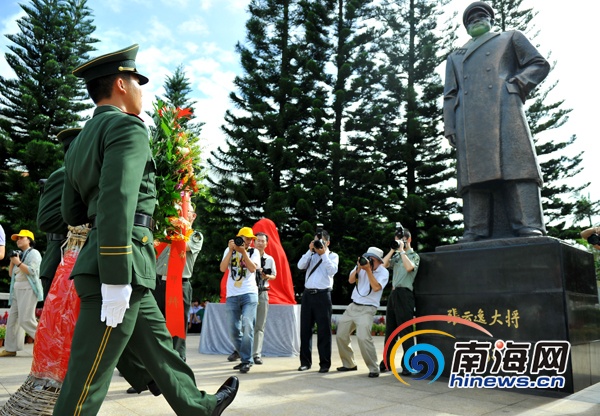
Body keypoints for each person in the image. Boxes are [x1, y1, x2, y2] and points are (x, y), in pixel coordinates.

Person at [53, 44, 238, 416]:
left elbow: (72, 211)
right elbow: (117, 199)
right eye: (138, 82)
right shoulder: (126, 127)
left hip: (115, 261)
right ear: (121, 84)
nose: (141, 90)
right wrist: (116, 277)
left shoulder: (80, 142)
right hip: (119, 265)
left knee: (157, 345)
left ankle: (197, 407)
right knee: (86, 379)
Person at [443, 1, 550, 242]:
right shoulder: (455, 57)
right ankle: (475, 228)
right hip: (468, 120)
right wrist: (449, 125)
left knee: (517, 165)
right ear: (466, 27)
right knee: (473, 176)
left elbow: (539, 63)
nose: (475, 20)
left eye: (481, 15)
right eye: (470, 19)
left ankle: (528, 224)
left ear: (491, 19)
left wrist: (516, 84)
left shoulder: (510, 37)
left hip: (505, 109)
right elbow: (450, 94)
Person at [152, 202, 203, 361]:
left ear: (193, 216)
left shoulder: (195, 235)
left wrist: (179, 227)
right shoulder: (163, 234)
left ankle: (178, 362)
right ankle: (151, 369)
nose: (181, 213)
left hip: (180, 285)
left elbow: (183, 246)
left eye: (185, 210)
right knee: (154, 325)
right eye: (178, 211)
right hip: (158, 283)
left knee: (177, 327)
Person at [37, 128, 81, 297]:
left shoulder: (80, 175)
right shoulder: (63, 175)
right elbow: (46, 219)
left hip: (72, 260)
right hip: (59, 261)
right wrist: (86, 221)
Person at [336, 247, 389, 378]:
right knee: (340, 335)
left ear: (379, 261)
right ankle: (349, 364)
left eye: (372, 259)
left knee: (363, 338)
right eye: (368, 258)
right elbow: (350, 280)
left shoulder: (383, 272)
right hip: (353, 306)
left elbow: (376, 287)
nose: (369, 261)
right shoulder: (361, 267)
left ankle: (374, 368)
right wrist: (359, 268)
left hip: (368, 309)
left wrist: (369, 271)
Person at [297, 227, 339, 373]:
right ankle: (305, 362)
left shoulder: (333, 256)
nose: (318, 244)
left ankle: (325, 364)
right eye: (316, 241)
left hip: (323, 295)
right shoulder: (311, 255)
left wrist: (323, 254)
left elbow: (332, 271)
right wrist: (310, 251)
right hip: (308, 295)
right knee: (305, 331)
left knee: (324, 331)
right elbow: (300, 265)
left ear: (328, 242)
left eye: (321, 241)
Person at [220, 226, 260, 373]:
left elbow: (252, 269)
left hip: (249, 293)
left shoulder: (254, 252)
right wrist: (231, 250)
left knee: (248, 325)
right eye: (246, 238)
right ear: (239, 237)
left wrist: (243, 252)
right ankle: (245, 357)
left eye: (251, 239)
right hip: (232, 295)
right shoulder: (228, 250)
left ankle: (246, 361)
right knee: (233, 330)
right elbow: (223, 268)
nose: (249, 241)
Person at [380, 228, 420, 376]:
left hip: (405, 294)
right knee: (390, 331)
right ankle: (386, 362)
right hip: (394, 294)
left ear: (408, 240)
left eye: (402, 239)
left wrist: (403, 251)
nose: (400, 242)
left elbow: (410, 268)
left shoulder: (413, 256)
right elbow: (383, 265)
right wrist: (393, 250)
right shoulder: (396, 256)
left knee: (405, 331)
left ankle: (408, 365)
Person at [0, 230, 43, 357]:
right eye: (17, 239)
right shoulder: (18, 254)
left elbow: (32, 271)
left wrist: (17, 262)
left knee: (26, 319)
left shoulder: (34, 253)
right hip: (17, 290)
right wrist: (12, 261)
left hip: (29, 289)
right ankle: (11, 348)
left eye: (21, 238)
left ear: (29, 240)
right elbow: (10, 274)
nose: (18, 240)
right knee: (13, 320)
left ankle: (46, 344)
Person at [252, 232, 277, 365]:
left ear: (266, 243)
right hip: (249, 291)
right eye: (258, 241)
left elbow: (274, 275)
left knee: (260, 325)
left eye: (263, 241)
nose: (260, 243)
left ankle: (256, 354)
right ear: (253, 242)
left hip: (262, 291)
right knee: (245, 324)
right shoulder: (248, 256)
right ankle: (240, 351)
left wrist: (265, 276)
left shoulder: (270, 259)